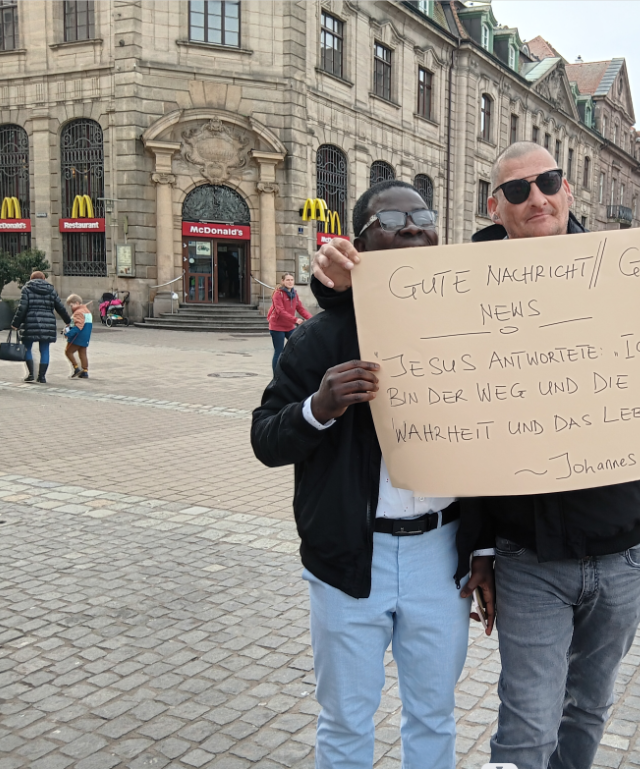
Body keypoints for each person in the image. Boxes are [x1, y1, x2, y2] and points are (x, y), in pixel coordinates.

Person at [310, 142, 640, 769]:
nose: (537, 197)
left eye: (549, 181)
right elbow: (382, 315)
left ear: (568, 190)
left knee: (587, 707)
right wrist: (332, 283)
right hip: (527, 553)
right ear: (494, 205)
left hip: (623, 542)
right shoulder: (460, 277)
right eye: (517, 189)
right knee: (527, 724)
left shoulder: (632, 266)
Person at [251, 179, 496, 769]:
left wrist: (483, 547)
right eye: (389, 220)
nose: (411, 226)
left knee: (434, 715)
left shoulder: (469, 329)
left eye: (423, 216)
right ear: (358, 245)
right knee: (345, 718)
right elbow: (265, 439)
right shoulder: (320, 338)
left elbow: (491, 446)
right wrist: (320, 407)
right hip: (349, 557)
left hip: (441, 555)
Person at [12, 271, 71, 384]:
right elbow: (60, 307)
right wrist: (68, 321)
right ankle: (42, 377)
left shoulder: (26, 289)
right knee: (44, 350)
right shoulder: (51, 290)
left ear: (31, 279)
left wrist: (15, 323)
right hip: (47, 323)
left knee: (27, 348)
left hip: (30, 322)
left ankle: (31, 374)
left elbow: (22, 307)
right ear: (44, 278)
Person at [267, 272, 312, 372]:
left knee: (298, 346)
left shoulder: (294, 294)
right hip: (277, 327)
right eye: (287, 280)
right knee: (279, 351)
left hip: (289, 327)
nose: (290, 282)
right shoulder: (278, 294)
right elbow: (280, 311)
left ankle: (294, 371)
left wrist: (312, 318)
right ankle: (276, 375)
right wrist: (295, 319)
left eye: (292, 280)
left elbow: (300, 308)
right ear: (283, 281)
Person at [63, 294, 93, 379]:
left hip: (77, 337)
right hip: (85, 337)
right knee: (83, 353)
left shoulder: (78, 312)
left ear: (77, 303)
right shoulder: (87, 311)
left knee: (68, 352)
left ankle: (76, 368)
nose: (71, 307)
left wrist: (68, 334)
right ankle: (85, 371)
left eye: (71, 305)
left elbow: (78, 326)